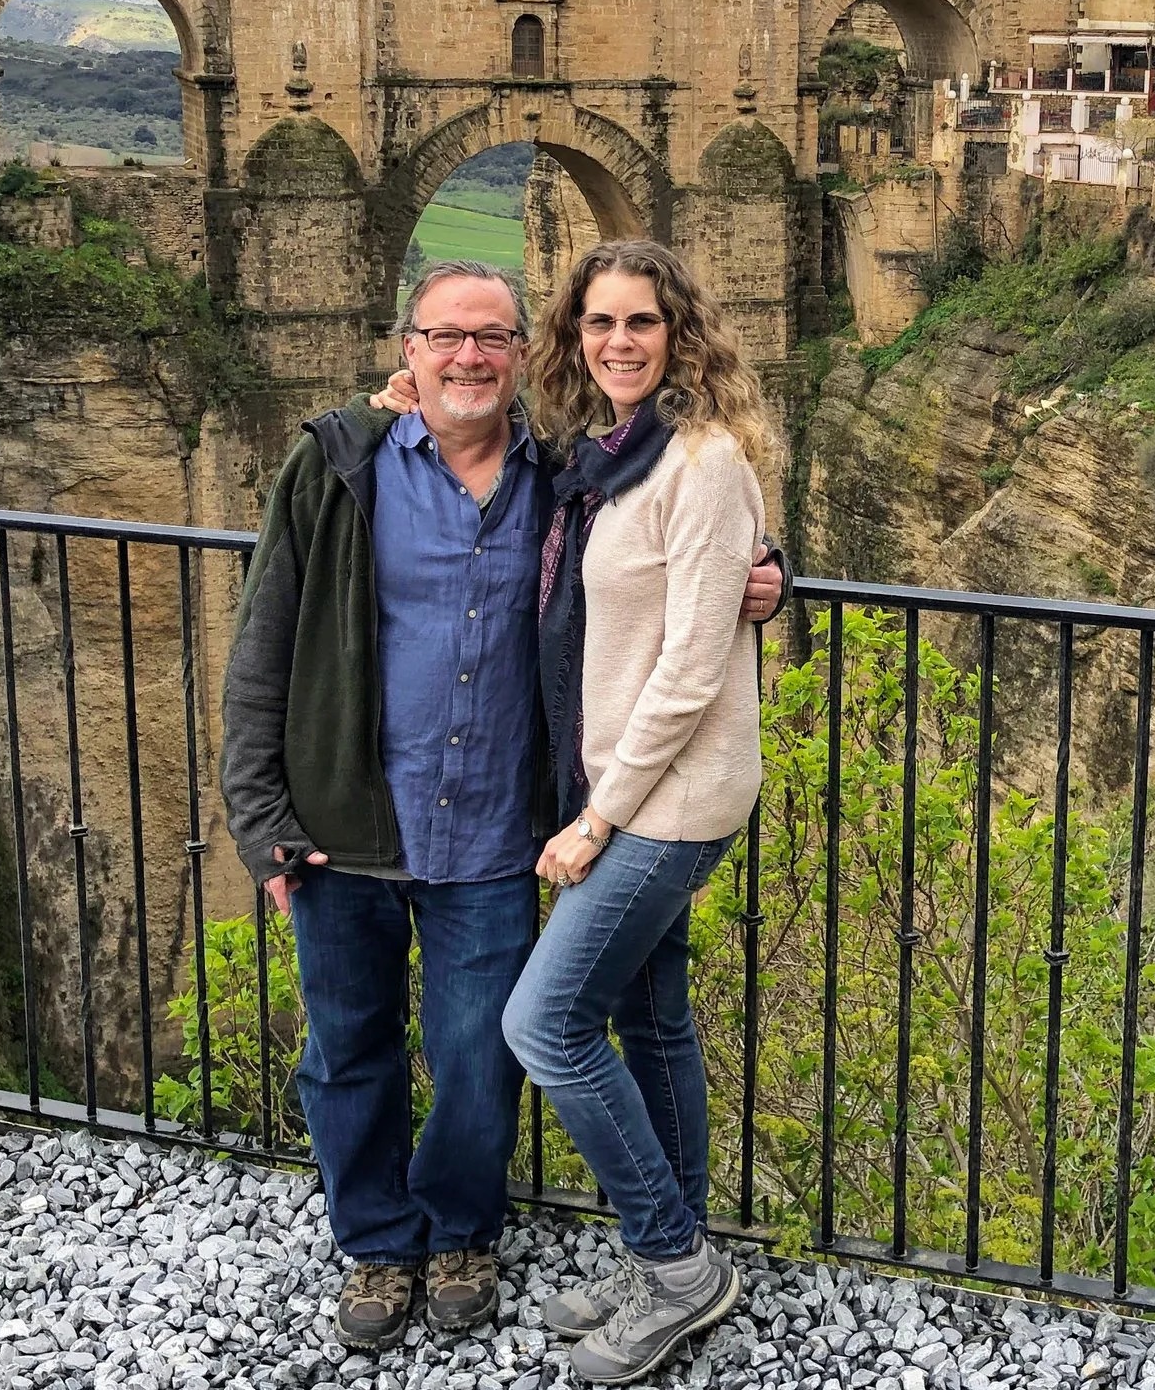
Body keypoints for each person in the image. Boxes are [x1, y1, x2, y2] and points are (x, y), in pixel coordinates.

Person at [218, 260, 782, 1355]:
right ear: (409, 349)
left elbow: (701, 533)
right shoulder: (339, 462)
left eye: (491, 336)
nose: (467, 356)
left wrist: (773, 574)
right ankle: (379, 1241)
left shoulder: (565, 475)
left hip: (497, 828)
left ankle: (466, 1231)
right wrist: (258, 813)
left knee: (486, 1051)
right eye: (445, 336)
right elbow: (263, 646)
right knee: (347, 1047)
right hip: (346, 824)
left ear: (523, 354)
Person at [499, 239, 775, 1385]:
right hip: (624, 781)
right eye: (600, 322)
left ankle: (672, 1263)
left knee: (546, 1022)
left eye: (642, 322)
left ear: (679, 335)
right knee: (654, 1022)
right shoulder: (602, 458)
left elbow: (693, 658)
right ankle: (677, 1250)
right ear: (577, 336)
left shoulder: (702, 460)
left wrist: (597, 817)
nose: (618, 341)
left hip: (669, 797)